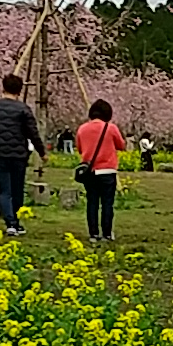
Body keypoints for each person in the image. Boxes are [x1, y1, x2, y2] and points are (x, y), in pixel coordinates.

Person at [0, 74, 46, 236]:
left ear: (3, 87)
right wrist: (42, 152)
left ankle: (10, 223)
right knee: (17, 189)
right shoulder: (23, 109)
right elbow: (32, 133)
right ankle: (17, 222)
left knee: (4, 190)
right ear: (20, 90)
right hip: (18, 154)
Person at [75, 99, 128, 244]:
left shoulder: (82, 129)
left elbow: (80, 149)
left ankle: (93, 234)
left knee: (92, 202)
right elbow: (121, 146)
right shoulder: (111, 128)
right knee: (107, 203)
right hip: (107, 170)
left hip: (89, 172)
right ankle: (107, 233)